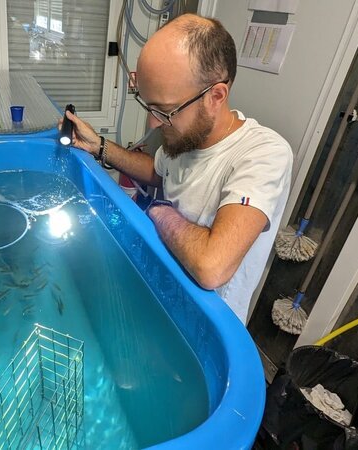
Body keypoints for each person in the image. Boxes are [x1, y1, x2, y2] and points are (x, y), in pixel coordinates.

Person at [62, 14, 292, 323]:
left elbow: (212, 267)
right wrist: (99, 146)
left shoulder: (263, 154)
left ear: (216, 95)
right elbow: (158, 172)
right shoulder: (184, 138)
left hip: (204, 322)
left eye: (165, 111)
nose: (153, 123)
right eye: (149, 106)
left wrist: (156, 209)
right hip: (162, 288)